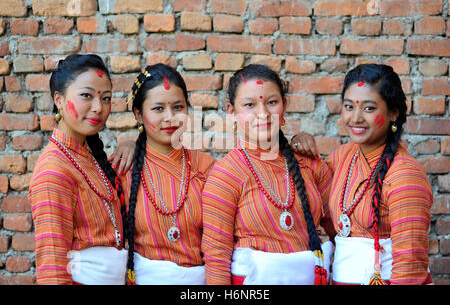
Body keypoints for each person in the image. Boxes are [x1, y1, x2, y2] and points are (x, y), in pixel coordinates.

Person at [292, 63, 433, 285]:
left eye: (368, 108)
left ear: (393, 114)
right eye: (349, 107)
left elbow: (410, 269)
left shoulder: (405, 176)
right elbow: (309, 187)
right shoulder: (342, 157)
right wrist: (299, 145)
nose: (355, 118)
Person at [201, 64, 336, 285]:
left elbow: (339, 231)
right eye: (249, 105)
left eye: (271, 102)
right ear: (231, 112)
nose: (263, 114)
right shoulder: (225, 175)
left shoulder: (310, 164)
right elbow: (217, 254)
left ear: (285, 106)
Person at [28, 54, 128, 285]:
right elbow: (52, 270)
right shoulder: (54, 170)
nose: (98, 107)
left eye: (106, 98)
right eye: (86, 96)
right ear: (59, 99)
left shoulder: (90, 158)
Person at [122, 64, 216, 285]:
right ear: (138, 115)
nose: (170, 117)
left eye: (178, 107)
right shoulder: (123, 169)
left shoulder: (207, 168)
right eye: (158, 109)